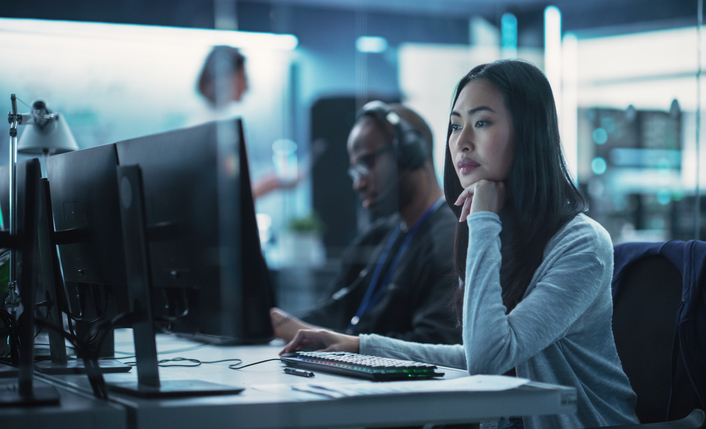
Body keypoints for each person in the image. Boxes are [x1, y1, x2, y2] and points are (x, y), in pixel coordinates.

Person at [280, 60, 640, 429]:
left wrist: (483, 221)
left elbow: (488, 360)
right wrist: (360, 347)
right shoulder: (491, 233)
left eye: (481, 122)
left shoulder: (582, 243)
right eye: (455, 126)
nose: (462, 141)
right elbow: (474, 354)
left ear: (528, 133)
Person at [270, 102, 461, 345]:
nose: (358, 184)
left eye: (366, 164)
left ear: (410, 153)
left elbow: (434, 344)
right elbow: (334, 312)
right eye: (355, 172)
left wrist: (344, 343)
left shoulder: (448, 240)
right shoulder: (378, 236)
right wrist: (276, 324)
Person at [193, 45, 300, 198]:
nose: (247, 85)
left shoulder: (220, 123)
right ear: (223, 78)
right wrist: (274, 182)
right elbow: (229, 198)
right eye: (242, 77)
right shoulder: (210, 128)